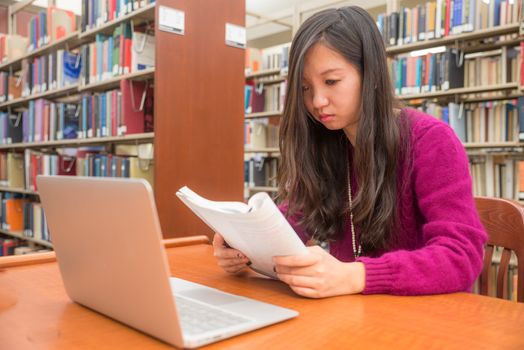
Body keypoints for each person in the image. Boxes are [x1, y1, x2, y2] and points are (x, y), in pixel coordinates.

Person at [213, 6, 487, 298]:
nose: (317, 101)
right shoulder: (327, 143)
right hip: (355, 316)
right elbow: (289, 225)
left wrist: (357, 275)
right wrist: (243, 245)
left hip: (422, 320)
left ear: (370, 74)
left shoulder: (431, 141)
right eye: (305, 88)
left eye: (331, 82)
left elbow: (462, 256)